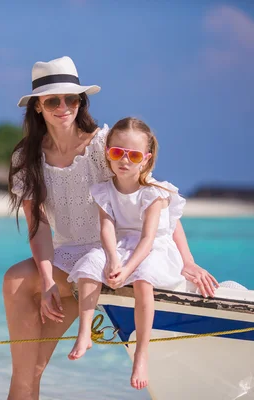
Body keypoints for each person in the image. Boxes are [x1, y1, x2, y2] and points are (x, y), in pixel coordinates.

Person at [3, 56, 219, 400]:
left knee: (34, 366)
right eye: (53, 100)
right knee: (19, 309)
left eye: (72, 99)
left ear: (81, 102)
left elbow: (155, 198)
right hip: (70, 256)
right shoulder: (26, 158)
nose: (64, 107)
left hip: (112, 255)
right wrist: (45, 281)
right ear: (37, 107)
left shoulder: (104, 146)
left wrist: (187, 260)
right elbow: (38, 228)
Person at [66, 117, 186, 390]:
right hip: (121, 244)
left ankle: (141, 354)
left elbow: (148, 239)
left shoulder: (153, 193)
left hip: (152, 248)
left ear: (146, 159)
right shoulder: (105, 190)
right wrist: (112, 259)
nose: (124, 161)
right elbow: (107, 229)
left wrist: (128, 268)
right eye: (117, 152)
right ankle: (85, 331)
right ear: (108, 152)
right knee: (89, 265)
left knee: (144, 282)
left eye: (133, 155)